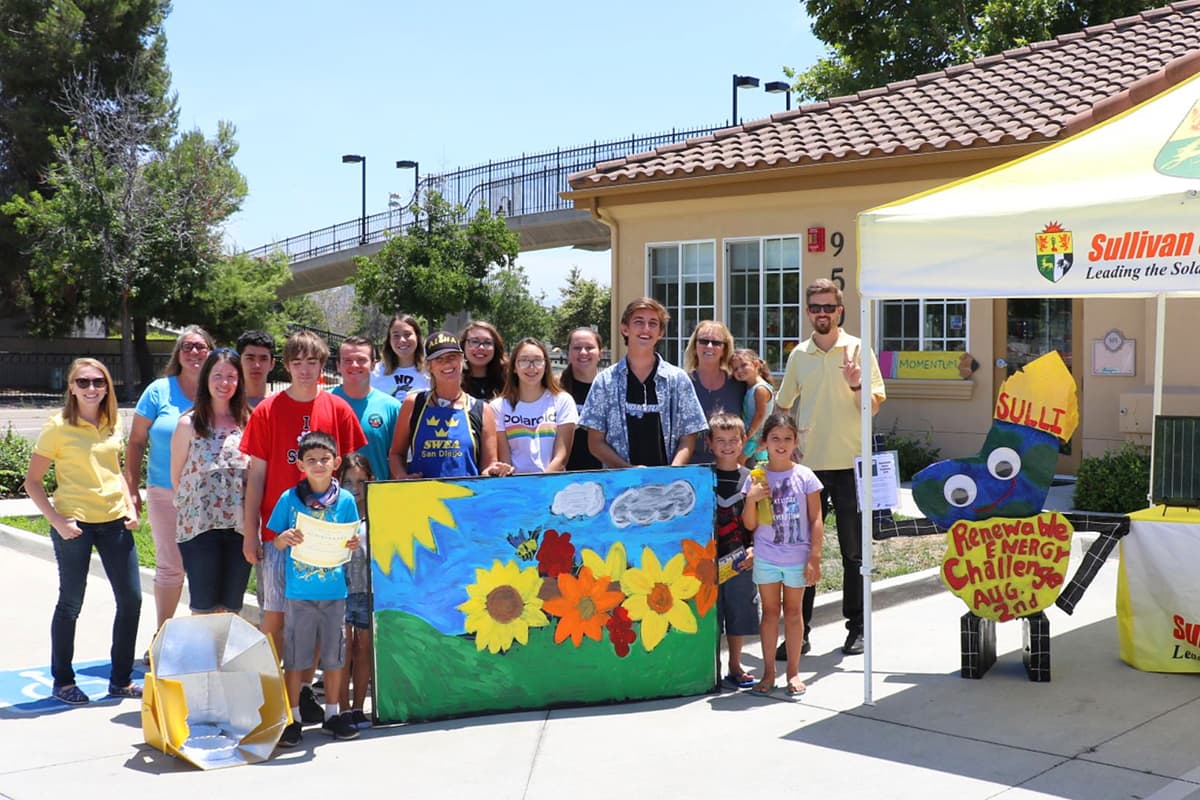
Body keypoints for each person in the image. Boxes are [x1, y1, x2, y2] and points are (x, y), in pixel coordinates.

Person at [240, 329, 366, 723]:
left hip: (325, 540)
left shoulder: (338, 409)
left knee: (314, 617)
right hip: (279, 536)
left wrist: (350, 529)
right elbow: (256, 475)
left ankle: (304, 696)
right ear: (287, 365)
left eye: (313, 362)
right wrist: (251, 532)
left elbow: (347, 475)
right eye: (297, 363)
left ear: (322, 364)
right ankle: (271, 694)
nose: (306, 370)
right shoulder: (267, 411)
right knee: (275, 617)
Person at [775, 278, 886, 657]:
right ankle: (798, 633)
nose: (822, 313)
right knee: (803, 553)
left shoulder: (858, 349)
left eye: (829, 307)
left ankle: (858, 629)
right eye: (815, 307)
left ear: (840, 310)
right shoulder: (798, 355)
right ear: (808, 312)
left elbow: (873, 407)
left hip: (851, 466)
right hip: (807, 471)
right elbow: (783, 405)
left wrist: (857, 385)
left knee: (854, 553)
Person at [24, 358, 142, 705]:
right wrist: (58, 522)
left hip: (114, 521)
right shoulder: (57, 427)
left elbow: (115, 470)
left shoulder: (112, 421)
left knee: (132, 600)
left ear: (107, 386)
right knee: (71, 602)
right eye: (84, 382)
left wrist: (131, 507)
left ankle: (120, 680)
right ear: (71, 387)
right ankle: (63, 681)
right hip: (74, 523)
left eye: (98, 382)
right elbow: (32, 482)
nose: (92, 388)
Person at [268, 432, 361, 747]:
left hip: (334, 591)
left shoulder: (345, 501)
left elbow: (352, 536)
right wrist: (286, 537)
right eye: (311, 460)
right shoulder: (289, 499)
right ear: (300, 465)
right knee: (296, 658)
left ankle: (332, 714)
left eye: (324, 459)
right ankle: (292, 718)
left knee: (334, 657)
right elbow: (274, 539)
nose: (318, 465)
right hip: (299, 594)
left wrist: (353, 542)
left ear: (336, 463)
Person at [125, 325, 214, 635]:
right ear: (178, 353)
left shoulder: (218, 389)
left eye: (200, 347)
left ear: (210, 352)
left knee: (205, 571)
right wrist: (132, 490)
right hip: (165, 492)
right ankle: (163, 637)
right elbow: (136, 441)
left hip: (208, 497)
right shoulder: (158, 391)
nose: (194, 353)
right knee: (170, 567)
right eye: (187, 346)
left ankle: (200, 640)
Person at [742, 412, 823, 698]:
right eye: (775, 438)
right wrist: (751, 499)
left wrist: (814, 556)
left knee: (793, 613)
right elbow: (749, 524)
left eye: (787, 439)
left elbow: (816, 518)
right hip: (766, 556)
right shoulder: (756, 477)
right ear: (764, 442)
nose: (781, 444)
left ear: (795, 442)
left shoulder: (805, 477)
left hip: (796, 558)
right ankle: (768, 672)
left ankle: (793, 671)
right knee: (770, 614)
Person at [169, 349, 252, 615]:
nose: (224, 383)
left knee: (230, 608)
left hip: (239, 528)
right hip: (199, 529)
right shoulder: (188, 424)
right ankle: (202, 657)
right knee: (203, 608)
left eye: (231, 376)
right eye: (218, 375)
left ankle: (223, 658)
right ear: (206, 378)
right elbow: (178, 476)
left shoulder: (248, 422)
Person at [579, 297, 707, 468]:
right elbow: (595, 442)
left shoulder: (677, 379)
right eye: (639, 322)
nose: (646, 329)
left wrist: (671, 473)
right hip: (620, 486)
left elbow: (688, 438)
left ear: (661, 332)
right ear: (625, 329)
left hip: (667, 486)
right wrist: (629, 471)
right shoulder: (605, 381)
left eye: (653, 323)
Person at [389, 331, 512, 479]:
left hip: (467, 498)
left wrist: (496, 470)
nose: (447, 363)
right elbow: (396, 454)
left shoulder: (481, 409)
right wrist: (403, 477)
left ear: (462, 360)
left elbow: (487, 465)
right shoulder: (414, 403)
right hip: (421, 496)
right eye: (439, 359)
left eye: (452, 357)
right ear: (429, 366)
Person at [708, 412, 759, 690]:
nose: (727, 446)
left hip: (741, 558)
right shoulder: (704, 478)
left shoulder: (752, 479)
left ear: (742, 442)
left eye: (733, 440)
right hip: (707, 561)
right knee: (710, 615)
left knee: (739, 612)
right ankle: (709, 668)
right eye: (721, 440)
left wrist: (755, 548)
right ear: (710, 444)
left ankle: (735, 664)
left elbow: (762, 521)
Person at [493, 338, 578, 474]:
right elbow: (505, 459)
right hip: (515, 487)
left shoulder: (563, 401)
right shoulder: (498, 407)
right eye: (524, 360)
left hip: (551, 485)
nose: (531, 366)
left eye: (538, 360)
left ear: (546, 366)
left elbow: (561, 458)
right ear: (514, 367)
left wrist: (541, 484)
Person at [332, 336, 402, 480]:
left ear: (373, 365)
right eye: (347, 361)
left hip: (378, 498)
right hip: (332, 499)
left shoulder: (392, 407)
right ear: (338, 365)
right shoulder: (323, 402)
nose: (355, 365)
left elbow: (398, 459)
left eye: (362, 360)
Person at [337, 453, 373, 731]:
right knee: (343, 650)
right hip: (340, 590)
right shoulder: (335, 513)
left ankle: (360, 706)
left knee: (363, 649)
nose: (355, 487)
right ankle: (342, 708)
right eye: (348, 481)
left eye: (361, 481)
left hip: (367, 591)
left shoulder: (376, 514)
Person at [684, 321, 744, 464]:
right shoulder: (682, 383)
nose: (709, 346)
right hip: (691, 469)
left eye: (716, 342)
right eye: (704, 341)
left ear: (724, 349)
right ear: (694, 346)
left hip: (732, 468)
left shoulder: (739, 384)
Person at [559, 327, 603, 471]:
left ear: (600, 353)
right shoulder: (554, 388)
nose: (583, 352)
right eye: (577, 348)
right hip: (563, 472)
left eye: (589, 347)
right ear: (568, 353)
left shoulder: (610, 387)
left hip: (605, 472)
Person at [731, 348, 775, 466]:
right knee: (762, 466)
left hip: (754, 437)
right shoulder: (750, 388)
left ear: (756, 364)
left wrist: (747, 435)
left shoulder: (760, 389)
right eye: (735, 369)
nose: (739, 370)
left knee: (739, 462)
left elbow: (760, 415)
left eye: (743, 365)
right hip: (754, 436)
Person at [370, 313, 430, 399]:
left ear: (417, 336)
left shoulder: (430, 372)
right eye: (396, 336)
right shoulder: (375, 373)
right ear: (389, 340)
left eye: (407, 334)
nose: (402, 340)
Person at [459, 320, 506, 401]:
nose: (481, 347)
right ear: (463, 345)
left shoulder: (508, 380)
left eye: (487, 343)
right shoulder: (452, 379)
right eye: (474, 341)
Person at [236, 330, 276, 408]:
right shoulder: (226, 404)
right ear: (238, 362)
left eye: (263, 359)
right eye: (250, 359)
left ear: (272, 364)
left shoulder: (281, 403)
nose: (257, 365)